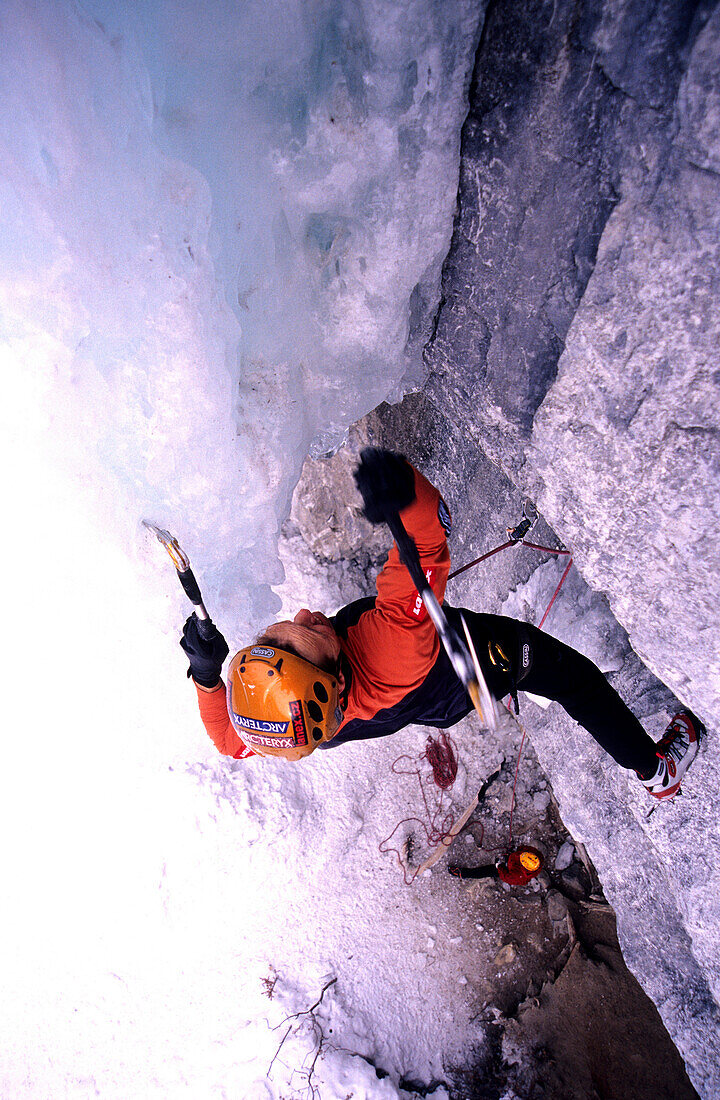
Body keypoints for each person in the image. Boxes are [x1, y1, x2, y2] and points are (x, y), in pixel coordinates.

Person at [180, 448, 702, 800]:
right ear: (334, 681)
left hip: (429, 707)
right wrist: (405, 490)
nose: (302, 615)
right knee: (573, 679)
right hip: (469, 661)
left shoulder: (292, 725)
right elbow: (430, 538)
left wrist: (207, 677)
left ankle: (504, 692)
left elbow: (230, 740)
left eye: (273, 633)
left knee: (476, 689)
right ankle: (656, 771)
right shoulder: (390, 645)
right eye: (311, 633)